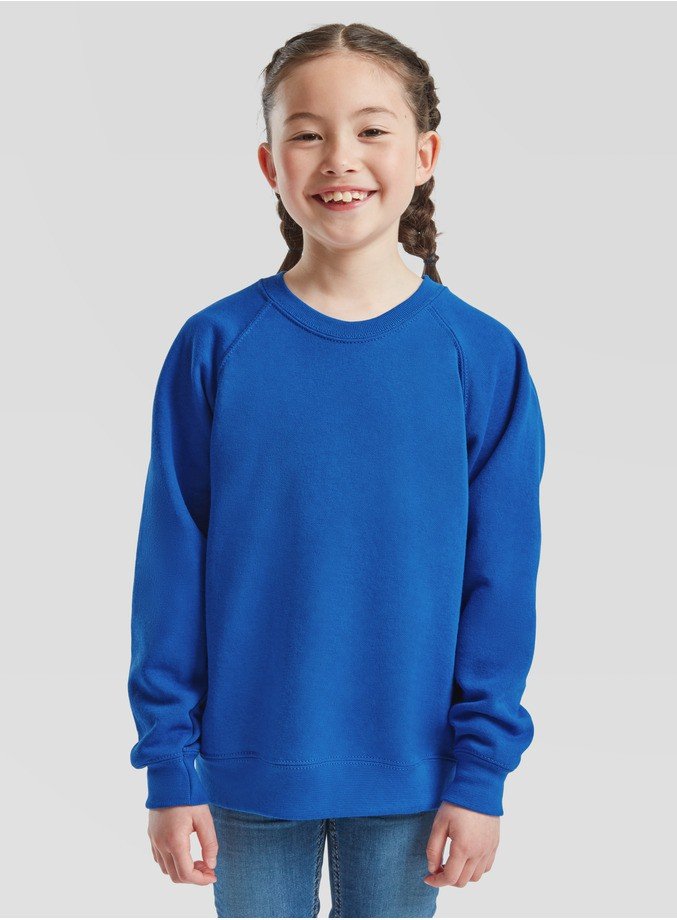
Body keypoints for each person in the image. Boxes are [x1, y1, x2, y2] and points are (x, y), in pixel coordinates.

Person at [127, 21, 546, 919]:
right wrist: (169, 765)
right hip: (244, 771)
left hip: (414, 776)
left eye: (370, 129)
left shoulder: (479, 356)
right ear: (269, 164)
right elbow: (169, 568)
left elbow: (500, 583)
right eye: (307, 133)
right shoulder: (216, 346)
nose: (338, 159)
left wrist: (480, 774)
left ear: (425, 155)